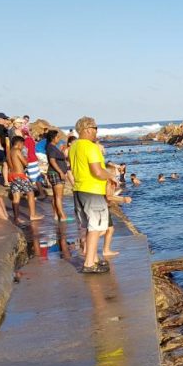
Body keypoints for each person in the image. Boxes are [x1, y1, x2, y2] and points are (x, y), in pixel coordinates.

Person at [69, 116, 116, 274]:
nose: (97, 132)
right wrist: (110, 176)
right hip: (92, 191)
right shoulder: (91, 147)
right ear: (88, 129)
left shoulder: (74, 146)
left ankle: (94, 258)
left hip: (79, 190)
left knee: (90, 227)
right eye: (96, 129)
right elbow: (97, 171)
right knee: (95, 228)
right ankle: (89, 264)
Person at [8, 136, 43, 223]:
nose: (23, 146)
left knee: (16, 198)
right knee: (30, 194)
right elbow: (25, 163)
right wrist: (25, 156)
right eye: (23, 144)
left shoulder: (9, 152)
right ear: (19, 143)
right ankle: (33, 215)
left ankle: (16, 218)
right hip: (20, 176)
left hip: (12, 175)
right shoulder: (17, 151)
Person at [103, 162, 132, 258]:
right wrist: (123, 199)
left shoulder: (108, 180)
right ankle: (86, 243)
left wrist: (118, 192)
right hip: (102, 207)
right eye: (117, 171)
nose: (119, 173)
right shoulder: (109, 181)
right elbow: (109, 196)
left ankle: (106, 250)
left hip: (103, 206)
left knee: (109, 229)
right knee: (100, 231)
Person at [45, 130, 71, 222]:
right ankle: (62, 216)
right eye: (57, 137)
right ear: (53, 138)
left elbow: (56, 158)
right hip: (55, 173)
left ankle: (57, 215)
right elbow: (52, 161)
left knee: (56, 196)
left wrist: (61, 151)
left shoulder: (52, 147)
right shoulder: (51, 147)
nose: (59, 138)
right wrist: (60, 172)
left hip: (54, 173)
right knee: (59, 197)